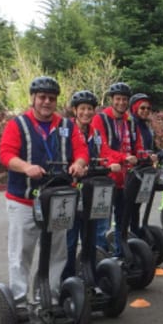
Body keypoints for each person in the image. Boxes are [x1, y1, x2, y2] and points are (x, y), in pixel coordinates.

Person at [0, 76, 88, 306]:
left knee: (57, 252)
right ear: (33, 99)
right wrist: (26, 167)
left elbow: (81, 151)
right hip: (24, 200)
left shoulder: (67, 126)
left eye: (51, 98)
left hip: (58, 201)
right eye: (42, 97)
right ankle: (18, 303)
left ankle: (48, 296)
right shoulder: (17, 125)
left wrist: (78, 163)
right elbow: (6, 155)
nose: (46, 102)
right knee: (21, 253)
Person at [95, 82, 143, 252]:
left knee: (122, 220)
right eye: (118, 99)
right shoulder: (100, 119)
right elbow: (102, 149)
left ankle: (120, 255)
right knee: (102, 224)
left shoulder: (130, 121)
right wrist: (124, 157)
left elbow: (137, 145)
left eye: (124, 99)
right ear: (111, 100)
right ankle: (98, 260)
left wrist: (145, 156)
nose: (121, 102)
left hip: (126, 178)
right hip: (107, 178)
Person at [63, 89, 102, 281]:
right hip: (70, 192)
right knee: (70, 240)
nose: (86, 113)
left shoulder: (95, 133)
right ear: (75, 110)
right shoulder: (66, 131)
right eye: (82, 109)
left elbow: (105, 152)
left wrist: (121, 159)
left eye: (90, 109)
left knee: (89, 237)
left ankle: (89, 277)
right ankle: (67, 280)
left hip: (90, 191)